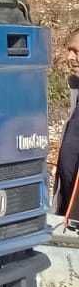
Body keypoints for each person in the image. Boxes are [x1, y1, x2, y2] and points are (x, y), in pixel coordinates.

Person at [55, 27, 79, 231]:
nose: (70, 57)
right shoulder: (75, 93)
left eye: (77, 51)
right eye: (69, 50)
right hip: (67, 215)